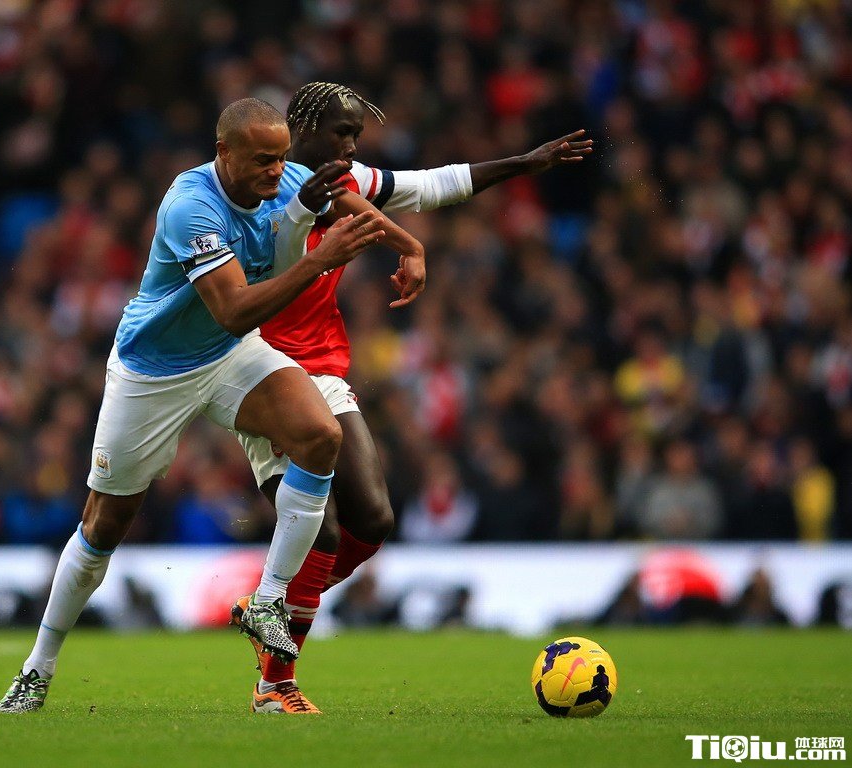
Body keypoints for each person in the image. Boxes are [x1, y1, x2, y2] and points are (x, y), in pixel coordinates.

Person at [0, 98, 397, 713]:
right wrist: (319, 259)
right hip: (154, 372)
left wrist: (409, 247)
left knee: (320, 435)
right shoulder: (190, 205)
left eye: (281, 158)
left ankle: (268, 601)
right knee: (103, 527)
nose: (276, 172)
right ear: (223, 154)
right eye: (262, 160)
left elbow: (381, 195)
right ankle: (37, 668)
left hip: (229, 355)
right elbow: (232, 308)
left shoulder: (287, 178)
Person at [232, 82, 593, 713]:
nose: (352, 145)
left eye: (356, 136)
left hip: (323, 370)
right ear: (303, 131)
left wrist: (524, 162)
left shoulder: (346, 182)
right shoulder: (258, 194)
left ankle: (270, 601)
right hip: (260, 373)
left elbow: (433, 185)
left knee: (373, 520)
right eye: (342, 133)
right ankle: (275, 684)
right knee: (322, 532)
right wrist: (400, 241)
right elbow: (283, 250)